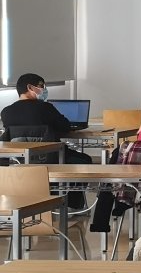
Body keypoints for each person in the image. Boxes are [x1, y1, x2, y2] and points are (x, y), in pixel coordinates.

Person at [0, 73, 92, 208]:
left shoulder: (6, 112)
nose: (44, 89)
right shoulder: (45, 108)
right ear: (30, 87)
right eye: (41, 86)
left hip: (20, 163)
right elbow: (65, 126)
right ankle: (72, 205)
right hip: (51, 158)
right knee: (84, 160)